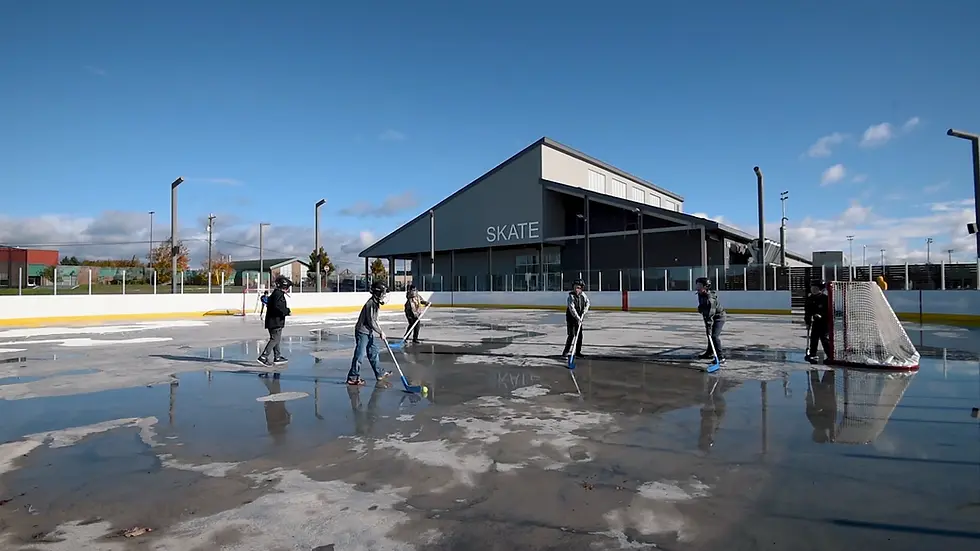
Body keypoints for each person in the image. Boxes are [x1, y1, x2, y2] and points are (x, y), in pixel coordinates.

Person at [347, 280, 393, 386]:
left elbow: (373, 320)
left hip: (368, 331)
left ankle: (379, 373)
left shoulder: (375, 303)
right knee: (360, 354)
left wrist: (377, 329)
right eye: (382, 293)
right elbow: (371, 321)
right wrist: (380, 332)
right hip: (362, 332)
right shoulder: (371, 304)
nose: (384, 296)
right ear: (377, 293)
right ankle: (353, 377)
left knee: (373, 352)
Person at [257, 276, 292, 367]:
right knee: (275, 339)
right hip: (275, 321)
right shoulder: (278, 294)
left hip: (274, 321)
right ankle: (263, 357)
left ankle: (277, 357)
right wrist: (287, 311)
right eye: (288, 287)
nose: (288, 289)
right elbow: (278, 307)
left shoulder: (276, 294)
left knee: (277, 339)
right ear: (284, 286)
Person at [695, 277, 726, 364]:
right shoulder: (700, 293)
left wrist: (708, 326)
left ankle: (720, 357)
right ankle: (709, 353)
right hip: (710, 316)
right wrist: (701, 308)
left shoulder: (710, 299)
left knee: (714, 336)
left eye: (699, 285)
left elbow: (710, 315)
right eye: (697, 285)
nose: (697, 287)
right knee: (709, 335)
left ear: (705, 286)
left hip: (719, 317)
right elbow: (702, 304)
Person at [805, 369, 837, 443]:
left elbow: (833, 412)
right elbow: (809, 406)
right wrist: (808, 395)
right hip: (819, 391)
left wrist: (832, 436)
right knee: (814, 370)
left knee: (829, 369)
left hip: (828, 391)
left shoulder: (828, 424)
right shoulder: (815, 423)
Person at [804, 280, 832, 364]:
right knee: (814, 338)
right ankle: (813, 354)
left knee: (825, 339)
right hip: (816, 322)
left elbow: (829, 311)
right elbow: (807, 312)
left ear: (820, 289)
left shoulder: (825, 298)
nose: (813, 290)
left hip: (824, 323)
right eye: (812, 288)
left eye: (815, 288)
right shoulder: (810, 299)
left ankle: (830, 356)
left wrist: (822, 315)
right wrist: (808, 322)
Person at [561, 278, 590, 358]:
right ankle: (565, 353)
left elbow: (588, 303)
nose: (577, 289)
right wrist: (578, 318)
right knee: (571, 335)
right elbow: (572, 309)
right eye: (575, 287)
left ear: (581, 288)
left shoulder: (583, 295)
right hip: (571, 318)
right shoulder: (571, 297)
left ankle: (577, 352)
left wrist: (584, 311)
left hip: (579, 318)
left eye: (579, 288)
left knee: (579, 336)